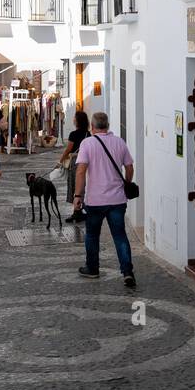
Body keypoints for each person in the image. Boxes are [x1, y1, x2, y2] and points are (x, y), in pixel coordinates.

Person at [73, 111, 136, 288]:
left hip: (95, 201)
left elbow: (80, 171)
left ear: (92, 127)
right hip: (117, 199)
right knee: (120, 235)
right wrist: (126, 183)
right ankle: (127, 272)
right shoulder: (119, 142)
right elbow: (129, 168)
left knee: (92, 235)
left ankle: (92, 268)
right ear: (107, 126)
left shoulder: (87, 143)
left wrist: (78, 196)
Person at [59, 109, 90, 223]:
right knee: (83, 185)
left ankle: (76, 211)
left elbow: (68, 149)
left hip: (76, 160)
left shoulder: (73, 134)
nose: (73, 119)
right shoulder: (88, 134)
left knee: (74, 185)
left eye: (74, 118)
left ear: (77, 121)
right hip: (86, 161)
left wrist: (60, 160)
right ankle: (80, 210)